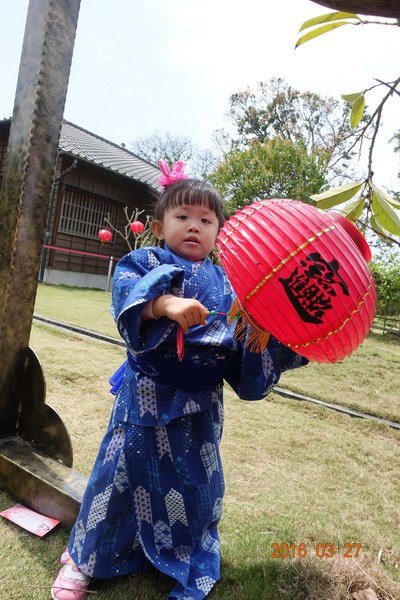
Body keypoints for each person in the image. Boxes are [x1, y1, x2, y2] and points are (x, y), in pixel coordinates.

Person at [51, 161, 308, 600]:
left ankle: (186, 553)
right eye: (183, 217)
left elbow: (243, 348)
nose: (194, 227)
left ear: (219, 232)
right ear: (158, 226)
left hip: (200, 407)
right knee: (118, 477)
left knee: (196, 486)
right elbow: (128, 294)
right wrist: (164, 304)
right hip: (145, 399)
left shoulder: (230, 284)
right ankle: (86, 557)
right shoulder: (147, 259)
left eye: (206, 220)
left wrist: (266, 331)